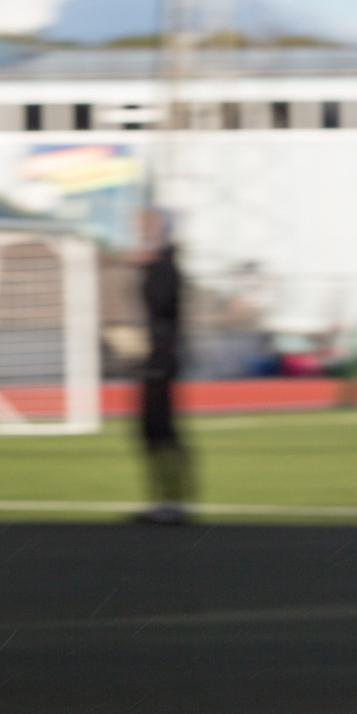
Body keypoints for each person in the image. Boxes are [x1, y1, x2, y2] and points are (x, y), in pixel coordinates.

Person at [131, 207, 192, 526]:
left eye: (149, 224)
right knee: (150, 432)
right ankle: (163, 501)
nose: (142, 229)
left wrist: (149, 265)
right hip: (156, 355)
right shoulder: (158, 264)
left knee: (162, 431)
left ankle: (175, 501)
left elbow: (163, 306)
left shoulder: (166, 266)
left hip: (163, 357)